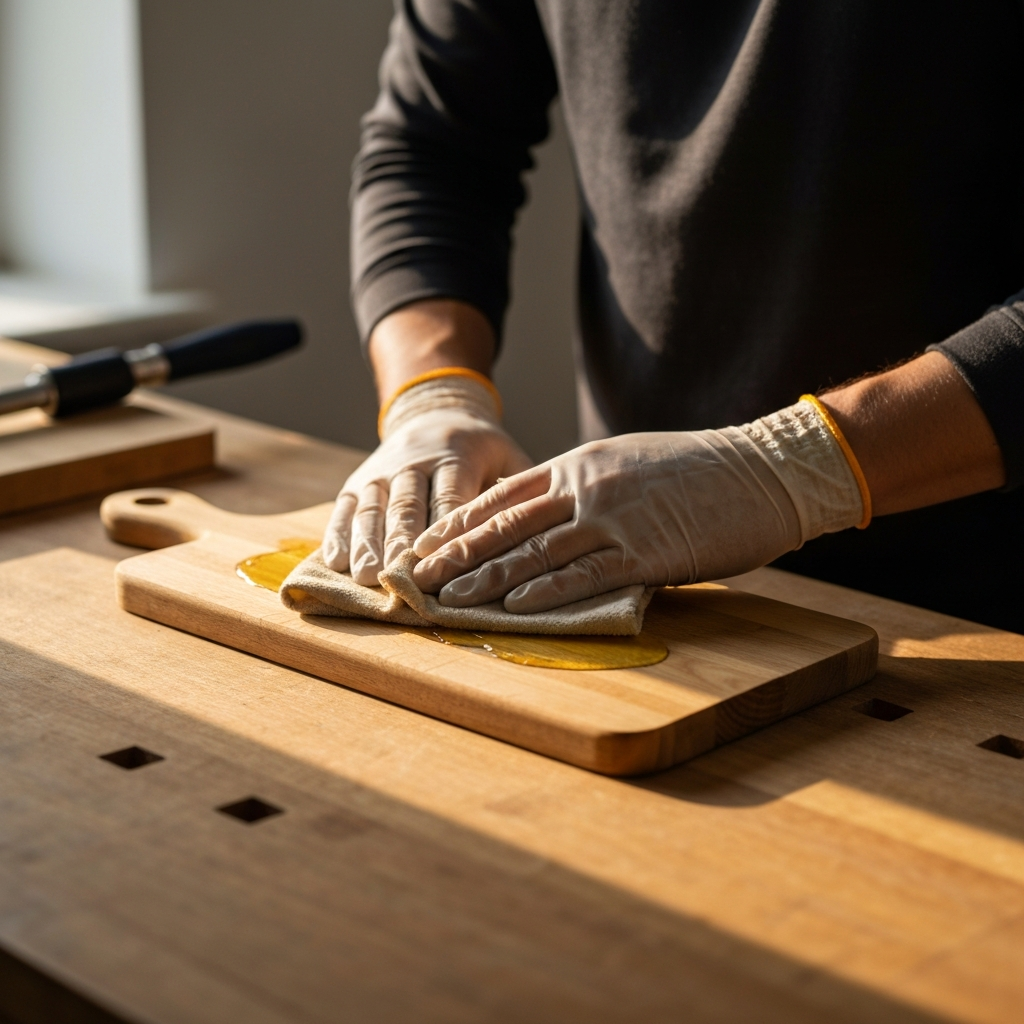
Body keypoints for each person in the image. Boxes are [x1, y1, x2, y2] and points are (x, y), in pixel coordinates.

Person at [324, 0, 1024, 631]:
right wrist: (436, 396)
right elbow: (436, 150)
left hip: (987, 614)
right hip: (658, 598)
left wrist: (800, 467)